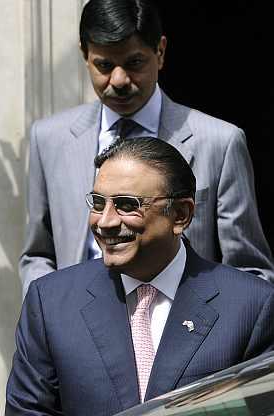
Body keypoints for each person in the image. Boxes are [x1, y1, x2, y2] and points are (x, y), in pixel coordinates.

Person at [19, 0, 274, 296]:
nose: (119, 80)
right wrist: (51, 316)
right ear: (84, 55)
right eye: (104, 65)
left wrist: (216, 335)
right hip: (75, 330)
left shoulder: (219, 143)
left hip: (185, 332)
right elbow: (37, 255)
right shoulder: (49, 139)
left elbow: (250, 272)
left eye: (134, 63)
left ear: (160, 52)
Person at [6, 137, 274, 415]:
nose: (105, 222)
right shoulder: (51, 302)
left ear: (180, 214)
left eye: (126, 204)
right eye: (98, 203)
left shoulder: (250, 306)